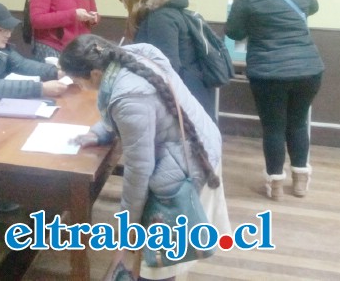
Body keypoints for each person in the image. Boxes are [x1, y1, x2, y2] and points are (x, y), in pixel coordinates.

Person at [59, 34, 230, 281]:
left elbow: (138, 171)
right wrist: (99, 132)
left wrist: (128, 233)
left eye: (77, 80)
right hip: (198, 144)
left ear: (95, 74)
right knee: (161, 256)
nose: (78, 86)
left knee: (160, 261)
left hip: (189, 165)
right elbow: (133, 113)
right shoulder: (135, 56)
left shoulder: (129, 97)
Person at [225, 0, 324, 201]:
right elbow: (313, 8)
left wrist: (256, 24)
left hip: (269, 73)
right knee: (298, 123)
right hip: (308, 68)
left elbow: (233, 31)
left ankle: (276, 185)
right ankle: (300, 181)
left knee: (273, 127)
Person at [115, 0, 217, 122]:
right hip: (187, 91)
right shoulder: (163, 12)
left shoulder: (160, 18)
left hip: (184, 97)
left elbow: (166, 67)